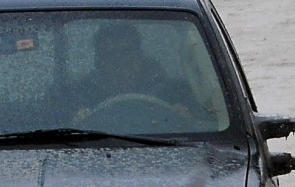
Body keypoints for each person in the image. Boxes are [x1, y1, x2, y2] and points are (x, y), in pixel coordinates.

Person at [71, 24, 200, 123]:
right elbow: (59, 132)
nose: (119, 61)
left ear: (140, 56)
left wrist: (187, 118)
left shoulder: (176, 91)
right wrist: (78, 124)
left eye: (126, 52)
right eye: (109, 54)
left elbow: (210, 122)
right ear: (98, 62)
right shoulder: (79, 95)